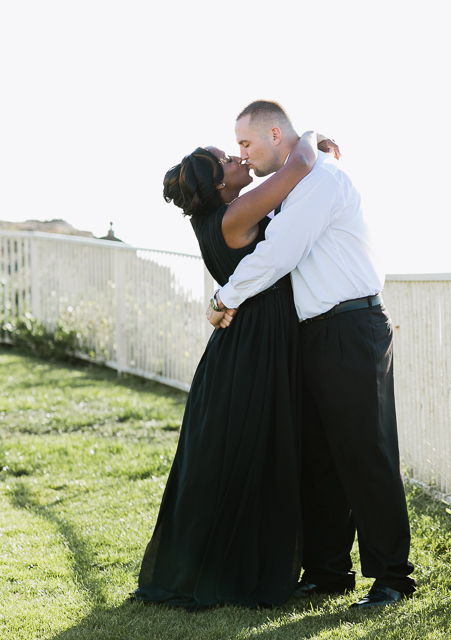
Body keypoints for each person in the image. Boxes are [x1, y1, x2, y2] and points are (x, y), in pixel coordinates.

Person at [209, 100, 416, 609]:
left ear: (275, 133)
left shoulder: (322, 181)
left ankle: (393, 577)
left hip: (351, 325)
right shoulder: (298, 181)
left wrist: (224, 298)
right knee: (320, 457)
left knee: (366, 453)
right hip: (317, 333)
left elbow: (280, 252)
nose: (243, 154)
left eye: (246, 143)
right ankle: (328, 573)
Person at [131, 130, 334, 610]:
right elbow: (299, 166)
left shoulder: (217, 217)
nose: (238, 156)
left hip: (244, 341)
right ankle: (238, 570)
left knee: (239, 455)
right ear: (220, 186)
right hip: (255, 344)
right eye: (227, 158)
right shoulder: (233, 215)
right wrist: (309, 135)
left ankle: (227, 563)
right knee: (254, 451)